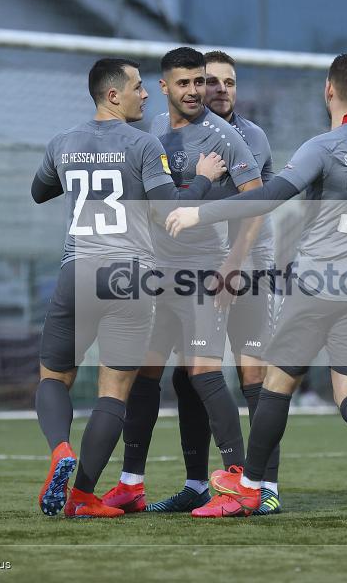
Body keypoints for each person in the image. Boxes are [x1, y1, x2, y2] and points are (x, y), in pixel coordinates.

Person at [164, 52, 347, 529]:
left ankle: (252, 486)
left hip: (317, 284)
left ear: (328, 90)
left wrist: (201, 212)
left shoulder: (322, 146)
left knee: (276, 385)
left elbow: (273, 195)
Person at [31, 57, 224, 518]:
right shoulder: (143, 144)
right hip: (130, 278)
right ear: (113, 94)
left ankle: (60, 449)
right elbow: (168, 211)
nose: (146, 95)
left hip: (77, 272)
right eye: (138, 87)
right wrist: (204, 179)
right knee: (114, 392)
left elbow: (40, 191)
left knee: (54, 377)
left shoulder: (63, 142)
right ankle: (81, 496)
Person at [100, 47, 267, 518]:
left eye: (200, 82)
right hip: (157, 276)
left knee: (203, 373)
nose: (195, 91)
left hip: (202, 273)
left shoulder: (225, 138)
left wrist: (233, 264)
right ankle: (132, 483)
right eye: (185, 83)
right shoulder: (147, 131)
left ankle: (241, 486)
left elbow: (256, 203)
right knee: (143, 375)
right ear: (164, 88)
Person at [153, 49, 284, 515]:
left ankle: (264, 486)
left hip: (246, 268)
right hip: (198, 270)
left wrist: (233, 265)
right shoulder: (176, 133)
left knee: (254, 375)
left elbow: (255, 209)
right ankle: (197, 483)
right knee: (191, 376)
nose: (219, 90)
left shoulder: (248, 137)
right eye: (211, 82)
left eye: (229, 82)